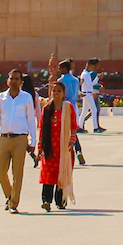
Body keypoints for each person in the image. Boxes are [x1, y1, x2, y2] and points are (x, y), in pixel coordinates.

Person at [0, 68, 37, 213]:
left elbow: (30, 120)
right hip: (4, 138)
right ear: (7, 81)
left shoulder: (26, 98)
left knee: (17, 173)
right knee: (0, 170)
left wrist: (33, 141)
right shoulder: (1, 98)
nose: (14, 81)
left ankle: (14, 203)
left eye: (17, 79)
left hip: (20, 139)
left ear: (21, 82)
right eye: (12, 78)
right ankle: (9, 195)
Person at [38, 78, 77, 211]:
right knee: (48, 174)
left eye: (59, 91)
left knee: (62, 173)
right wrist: (40, 146)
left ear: (63, 93)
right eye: (54, 90)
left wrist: (72, 141)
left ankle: (60, 201)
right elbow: (42, 128)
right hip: (49, 147)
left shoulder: (68, 108)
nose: (56, 93)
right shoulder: (47, 109)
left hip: (64, 147)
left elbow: (73, 126)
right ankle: (46, 201)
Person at [49, 56, 86, 164]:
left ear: (65, 69)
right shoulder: (75, 80)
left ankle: (66, 152)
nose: (59, 70)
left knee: (64, 131)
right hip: (74, 106)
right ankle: (78, 151)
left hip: (64, 107)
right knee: (72, 130)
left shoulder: (61, 81)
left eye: (60, 68)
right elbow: (78, 93)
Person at [79, 58, 104, 133]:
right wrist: (97, 78)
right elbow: (90, 84)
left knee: (84, 111)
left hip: (86, 93)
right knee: (94, 110)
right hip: (88, 93)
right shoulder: (86, 74)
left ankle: (80, 126)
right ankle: (95, 127)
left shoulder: (84, 73)